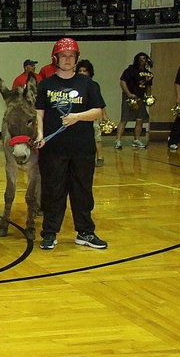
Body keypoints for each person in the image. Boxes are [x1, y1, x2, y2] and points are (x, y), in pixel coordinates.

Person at [34, 37, 108, 251]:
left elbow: (98, 111)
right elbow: (39, 113)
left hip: (82, 149)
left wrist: (77, 116)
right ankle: (49, 233)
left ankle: (85, 232)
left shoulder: (88, 84)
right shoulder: (45, 85)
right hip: (53, 150)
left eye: (71, 56)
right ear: (55, 58)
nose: (67, 59)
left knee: (82, 191)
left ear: (76, 58)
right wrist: (39, 134)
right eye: (63, 56)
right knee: (52, 191)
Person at [115, 52, 154, 150]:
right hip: (130, 97)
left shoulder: (149, 73)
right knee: (124, 119)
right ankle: (118, 140)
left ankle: (136, 139)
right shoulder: (130, 70)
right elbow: (122, 82)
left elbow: (148, 86)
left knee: (140, 119)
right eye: (140, 58)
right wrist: (128, 94)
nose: (142, 60)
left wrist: (148, 97)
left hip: (141, 98)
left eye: (144, 58)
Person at [76, 60, 110, 167]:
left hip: (92, 116)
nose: (82, 73)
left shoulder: (94, 85)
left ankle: (100, 157)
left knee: (96, 137)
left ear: (89, 72)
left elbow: (100, 102)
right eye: (80, 71)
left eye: (84, 71)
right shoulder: (75, 85)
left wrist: (105, 116)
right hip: (78, 116)